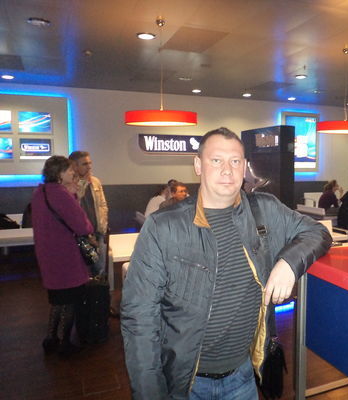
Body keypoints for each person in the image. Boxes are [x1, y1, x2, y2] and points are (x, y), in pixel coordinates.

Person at [121, 127, 331, 399]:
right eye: (216, 160)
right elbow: (140, 319)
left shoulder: (265, 209)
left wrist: (289, 263)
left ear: (245, 167)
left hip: (243, 378)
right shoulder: (163, 227)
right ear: (198, 165)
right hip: (185, 384)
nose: (227, 170)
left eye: (235, 161)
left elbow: (318, 232)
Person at [31, 156, 94, 355]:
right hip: (65, 256)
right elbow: (83, 226)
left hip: (47, 255)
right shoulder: (62, 194)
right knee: (70, 301)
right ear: (59, 173)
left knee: (57, 300)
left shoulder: (39, 192)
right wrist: (75, 197)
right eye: (69, 170)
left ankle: (50, 339)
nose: (73, 173)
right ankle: (65, 343)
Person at [69, 151, 109, 276]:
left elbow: (103, 205)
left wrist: (103, 226)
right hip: (80, 236)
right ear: (74, 166)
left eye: (90, 163)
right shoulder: (69, 184)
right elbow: (73, 206)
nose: (89, 167)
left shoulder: (95, 181)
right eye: (85, 164)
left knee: (101, 269)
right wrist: (82, 183)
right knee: (82, 271)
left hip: (98, 232)